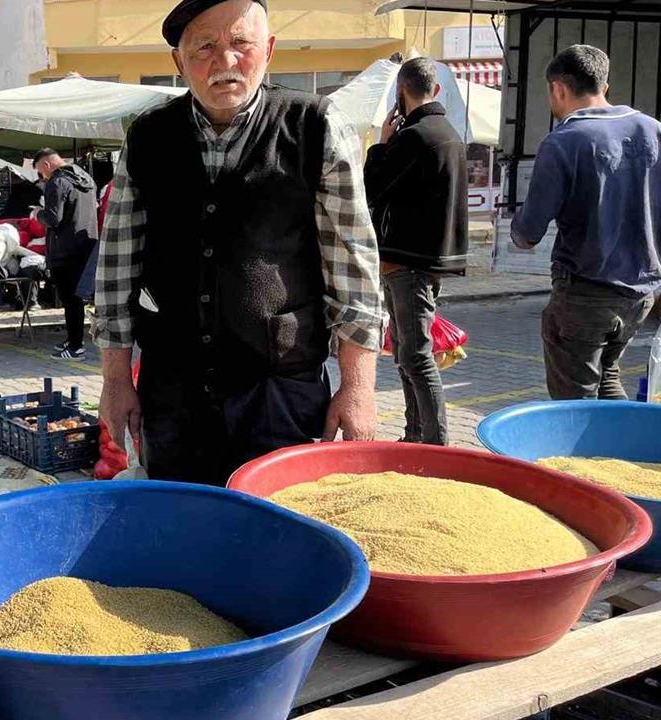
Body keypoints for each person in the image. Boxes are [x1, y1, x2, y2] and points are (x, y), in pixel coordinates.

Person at [96, 0, 385, 485]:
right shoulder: (148, 137)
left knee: (278, 528)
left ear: (268, 50)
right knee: (183, 527)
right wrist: (115, 380)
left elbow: (353, 267)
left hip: (279, 390)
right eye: (205, 47)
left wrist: (358, 387)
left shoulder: (314, 127)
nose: (225, 61)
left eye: (240, 44)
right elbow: (117, 264)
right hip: (174, 390)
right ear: (179, 61)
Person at [511, 44, 661, 400]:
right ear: (604, 88)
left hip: (585, 292)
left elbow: (528, 232)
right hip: (640, 294)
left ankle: (593, 454)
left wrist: (518, 231)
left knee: (574, 402)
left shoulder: (563, 142)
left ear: (558, 89)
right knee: (607, 377)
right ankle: (624, 452)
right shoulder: (653, 129)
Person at [363, 57, 469, 446]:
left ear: (400, 94)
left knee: (416, 356)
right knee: (408, 353)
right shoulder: (449, 133)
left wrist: (381, 146)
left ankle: (435, 442)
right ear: (435, 90)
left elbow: (371, 191)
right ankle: (414, 433)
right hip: (428, 260)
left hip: (406, 261)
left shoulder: (414, 137)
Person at [32, 148, 99, 360]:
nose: (42, 178)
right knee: (77, 299)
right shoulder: (85, 178)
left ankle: (76, 346)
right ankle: (73, 339)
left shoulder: (57, 182)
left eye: (40, 173)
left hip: (65, 250)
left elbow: (53, 218)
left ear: (47, 166)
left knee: (71, 300)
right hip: (86, 245)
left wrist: (37, 213)